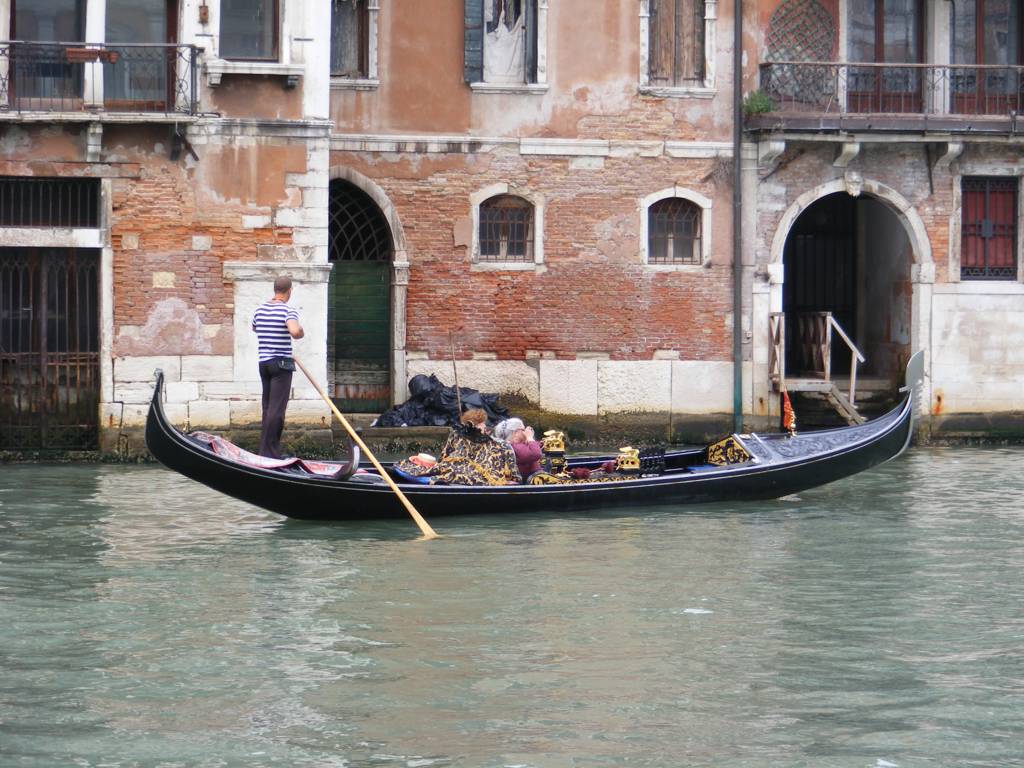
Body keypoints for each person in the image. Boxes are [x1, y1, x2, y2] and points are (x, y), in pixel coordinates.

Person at [393, 408, 520, 485]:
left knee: (451, 471)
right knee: (449, 470)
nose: (484, 427)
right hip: (465, 469)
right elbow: (444, 459)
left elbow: (443, 458)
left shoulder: (498, 444)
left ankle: (429, 479)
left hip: (472, 471)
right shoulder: (459, 436)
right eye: (482, 425)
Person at [251, 275, 304, 458]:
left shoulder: (259, 310)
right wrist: (301, 331)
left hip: (264, 364)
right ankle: (271, 453)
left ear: (275, 290)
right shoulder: (288, 310)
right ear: (289, 291)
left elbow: (255, 328)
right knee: (277, 410)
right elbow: (294, 331)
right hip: (281, 366)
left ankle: (264, 451)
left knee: (267, 407)